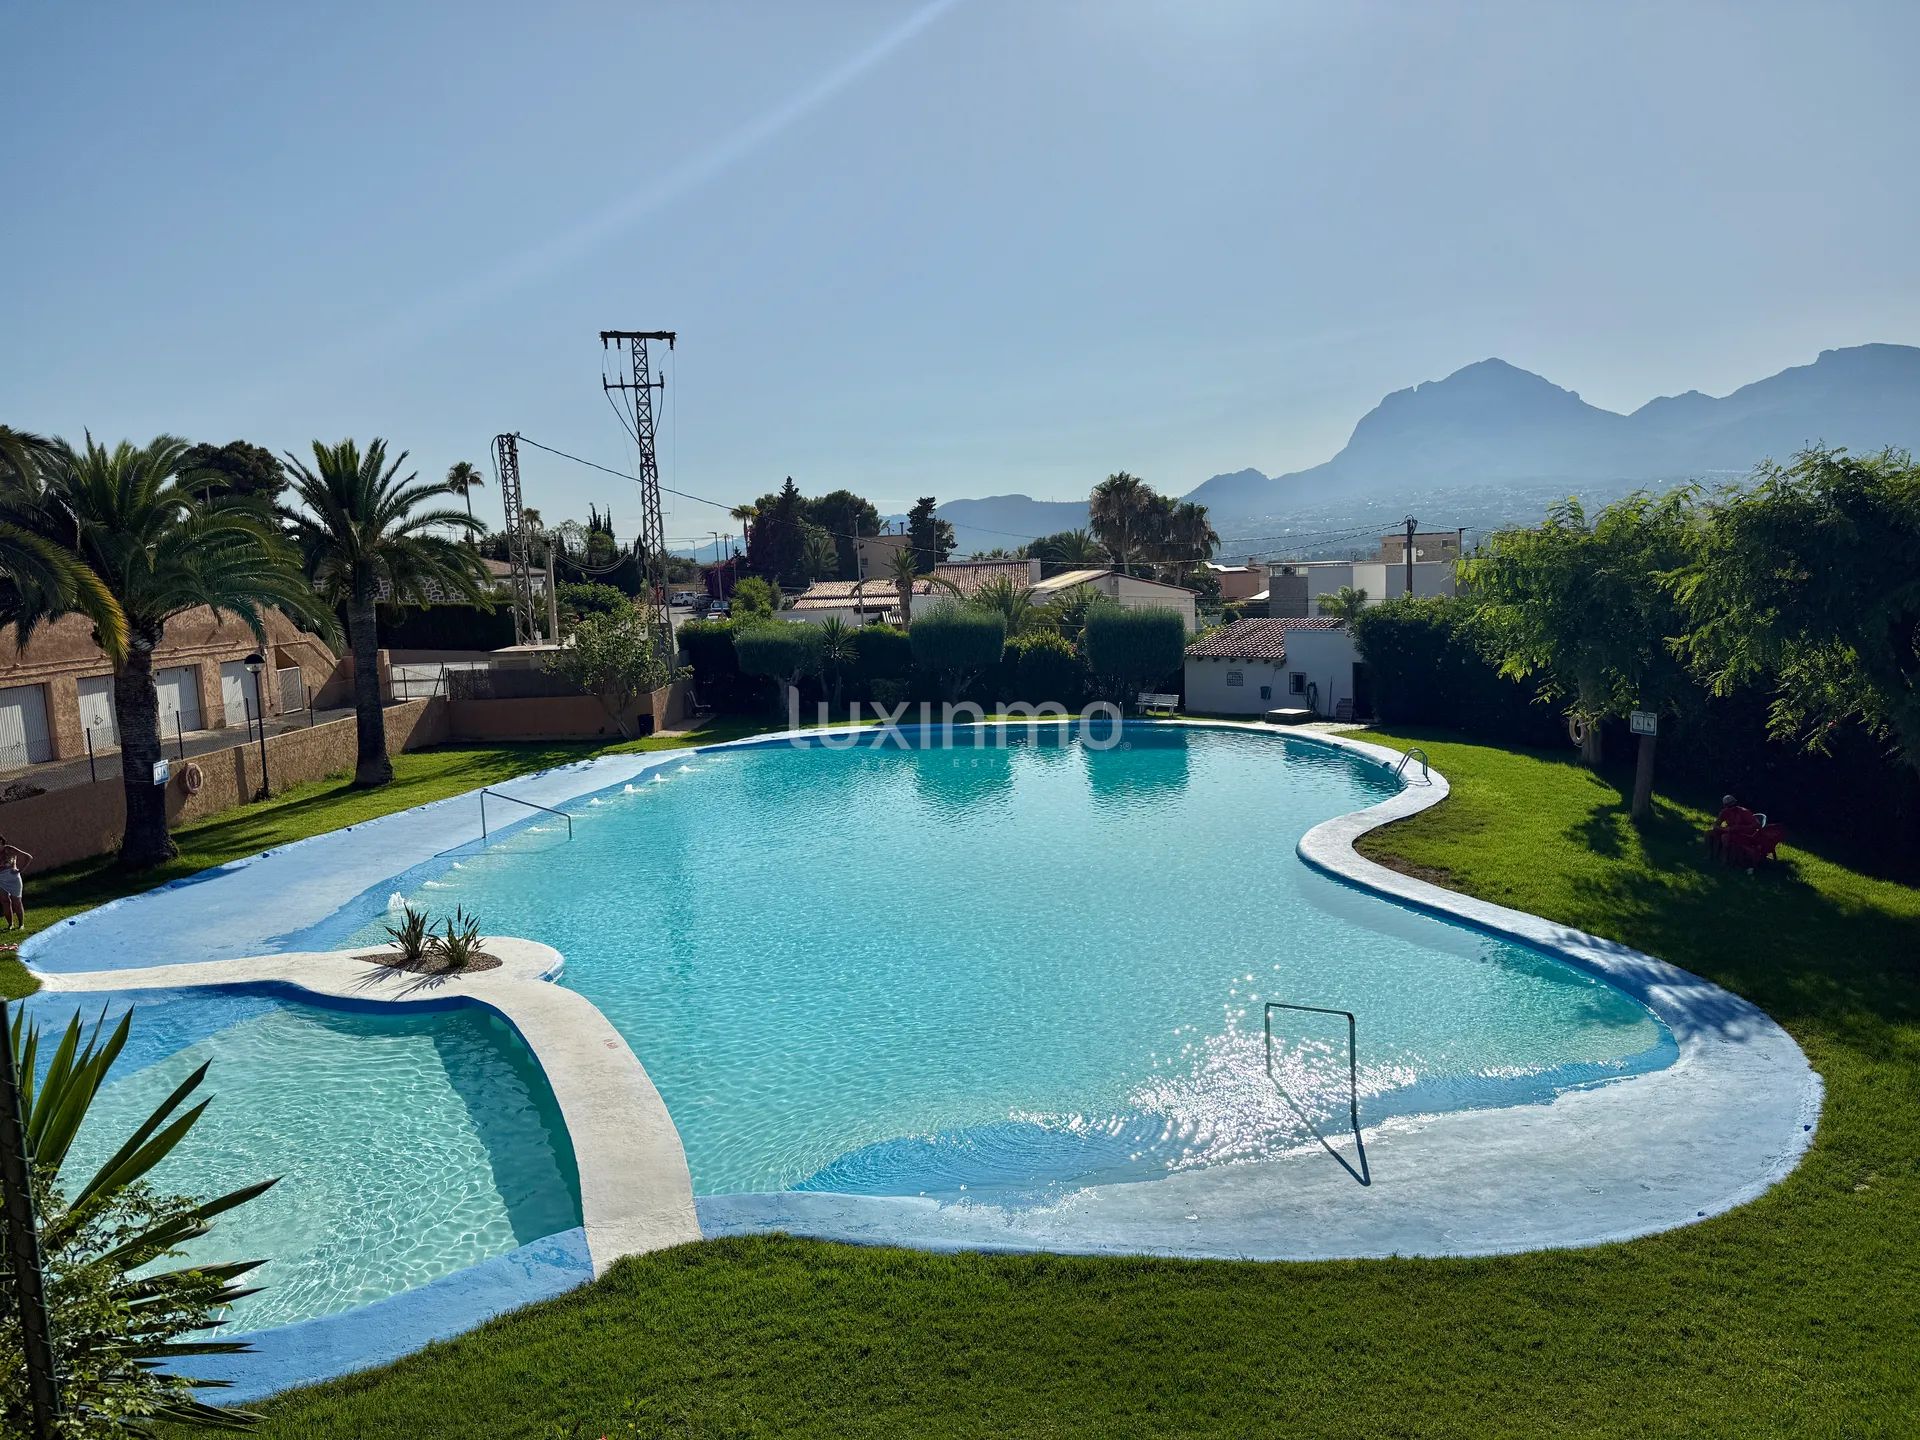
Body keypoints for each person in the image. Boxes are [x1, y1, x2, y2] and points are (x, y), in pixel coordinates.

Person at [1705, 795, 1758, 861]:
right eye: (1729, 806)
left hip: (1743, 834)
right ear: (1725, 806)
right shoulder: (1724, 812)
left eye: (1733, 805)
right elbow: (1717, 823)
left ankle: (1725, 858)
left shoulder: (1744, 812)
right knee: (1709, 833)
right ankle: (1710, 854)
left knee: (1725, 837)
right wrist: (1716, 826)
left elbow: (1756, 825)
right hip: (1731, 831)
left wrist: (1740, 828)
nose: (1732, 808)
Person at [0, 834, 30, 931]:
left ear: (2, 842)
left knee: (16, 901)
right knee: (5, 902)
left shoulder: (9, 849)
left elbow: (28, 857)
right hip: (1, 880)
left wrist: (20, 870)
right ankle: (10, 924)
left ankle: (21, 924)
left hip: (13, 879)